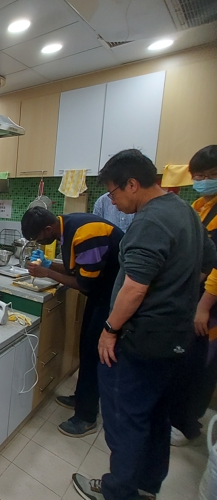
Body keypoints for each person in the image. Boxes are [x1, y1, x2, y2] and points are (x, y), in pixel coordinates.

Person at [71, 149, 217, 500]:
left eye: (114, 192)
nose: (113, 202)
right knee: (154, 419)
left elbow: (135, 288)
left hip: (140, 339)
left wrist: (110, 329)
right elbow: (208, 261)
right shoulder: (184, 211)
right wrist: (175, 291)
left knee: (125, 421)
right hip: (173, 339)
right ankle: (146, 489)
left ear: (132, 184)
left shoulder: (150, 221)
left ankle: (118, 492)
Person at [21, 207, 123, 438]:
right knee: (86, 349)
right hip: (100, 295)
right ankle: (82, 398)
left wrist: (47, 273)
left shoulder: (86, 234)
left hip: (112, 299)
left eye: (37, 238)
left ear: (48, 229)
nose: (39, 242)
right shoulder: (67, 229)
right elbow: (75, 269)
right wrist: (48, 264)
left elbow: (83, 283)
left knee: (94, 354)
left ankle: (86, 417)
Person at [171, 145, 217, 447]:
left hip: (210, 304)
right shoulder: (201, 206)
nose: (202, 181)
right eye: (198, 176)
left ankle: (187, 424)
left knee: (202, 363)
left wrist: (203, 306)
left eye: (209, 175)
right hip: (196, 295)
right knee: (188, 359)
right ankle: (180, 416)